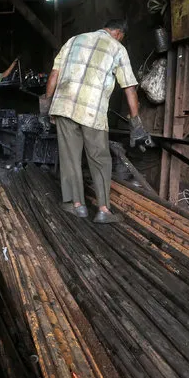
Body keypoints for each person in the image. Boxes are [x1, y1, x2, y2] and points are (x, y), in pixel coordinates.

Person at [44, 19, 152, 224]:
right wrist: (136, 122)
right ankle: (103, 209)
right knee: (99, 158)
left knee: (70, 157)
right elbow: (129, 87)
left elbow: (54, 75)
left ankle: (77, 206)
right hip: (92, 110)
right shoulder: (117, 48)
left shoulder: (73, 41)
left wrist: (47, 105)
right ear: (119, 33)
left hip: (64, 106)